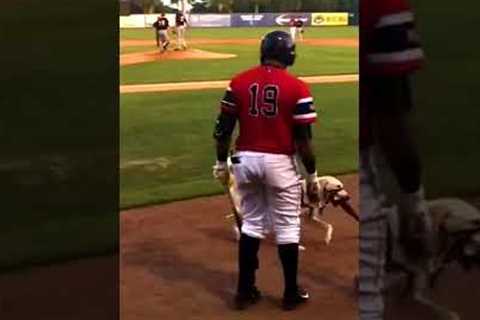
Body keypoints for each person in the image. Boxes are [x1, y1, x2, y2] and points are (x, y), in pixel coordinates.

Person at [212, 30, 321, 311]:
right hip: (279, 163)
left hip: (244, 161)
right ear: (290, 55)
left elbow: (222, 130)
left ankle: (245, 291)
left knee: (252, 223)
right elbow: (303, 142)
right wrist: (312, 176)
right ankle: (290, 293)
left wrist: (220, 162)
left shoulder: (238, 82)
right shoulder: (297, 88)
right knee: (287, 226)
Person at [358, 0, 433, 319]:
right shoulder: (383, 5)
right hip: (361, 177)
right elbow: (393, 124)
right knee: (366, 306)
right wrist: (414, 204)